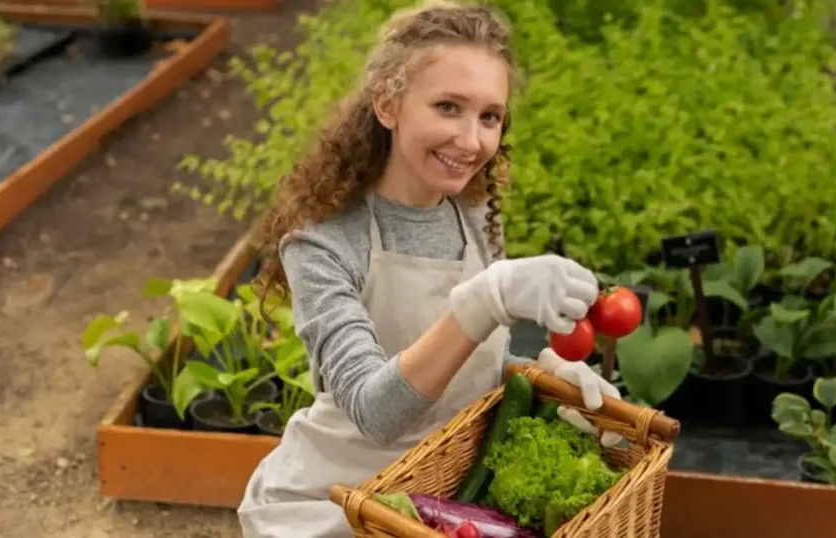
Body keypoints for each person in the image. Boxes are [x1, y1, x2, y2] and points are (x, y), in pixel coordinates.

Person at [237, 2, 622, 536]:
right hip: (342, 507)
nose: (471, 141)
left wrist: (537, 378)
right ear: (388, 104)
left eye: (489, 116)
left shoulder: (474, 217)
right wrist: (487, 299)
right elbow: (376, 413)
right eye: (447, 107)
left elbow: (466, 367)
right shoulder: (322, 240)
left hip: (451, 499)